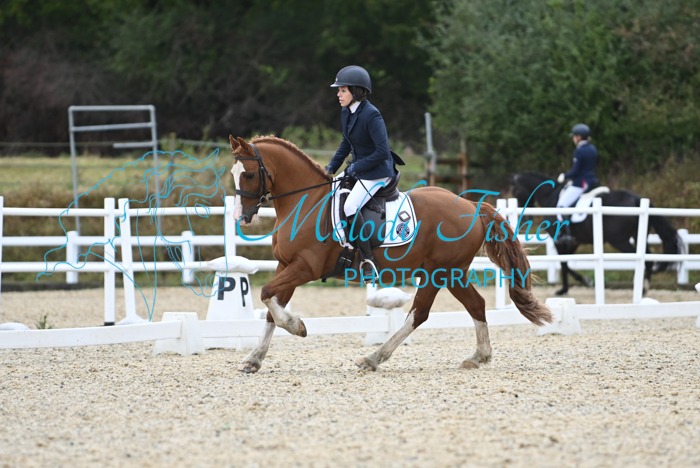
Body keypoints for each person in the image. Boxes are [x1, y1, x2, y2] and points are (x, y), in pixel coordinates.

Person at [324, 65, 398, 281]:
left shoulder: (371, 115)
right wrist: (330, 168)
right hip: (359, 170)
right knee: (330, 192)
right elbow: (346, 143)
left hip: (378, 172)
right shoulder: (346, 112)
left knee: (350, 206)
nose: (338, 94)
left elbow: (382, 151)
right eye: (339, 91)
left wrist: (355, 168)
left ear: (355, 91)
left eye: (342, 90)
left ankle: (367, 261)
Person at [556, 123, 599, 244]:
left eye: (574, 136)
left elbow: (576, 171)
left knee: (561, 205)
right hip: (592, 181)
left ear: (579, 137)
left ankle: (566, 233)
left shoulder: (579, 150)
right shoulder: (592, 148)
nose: (573, 139)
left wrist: (565, 176)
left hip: (580, 183)